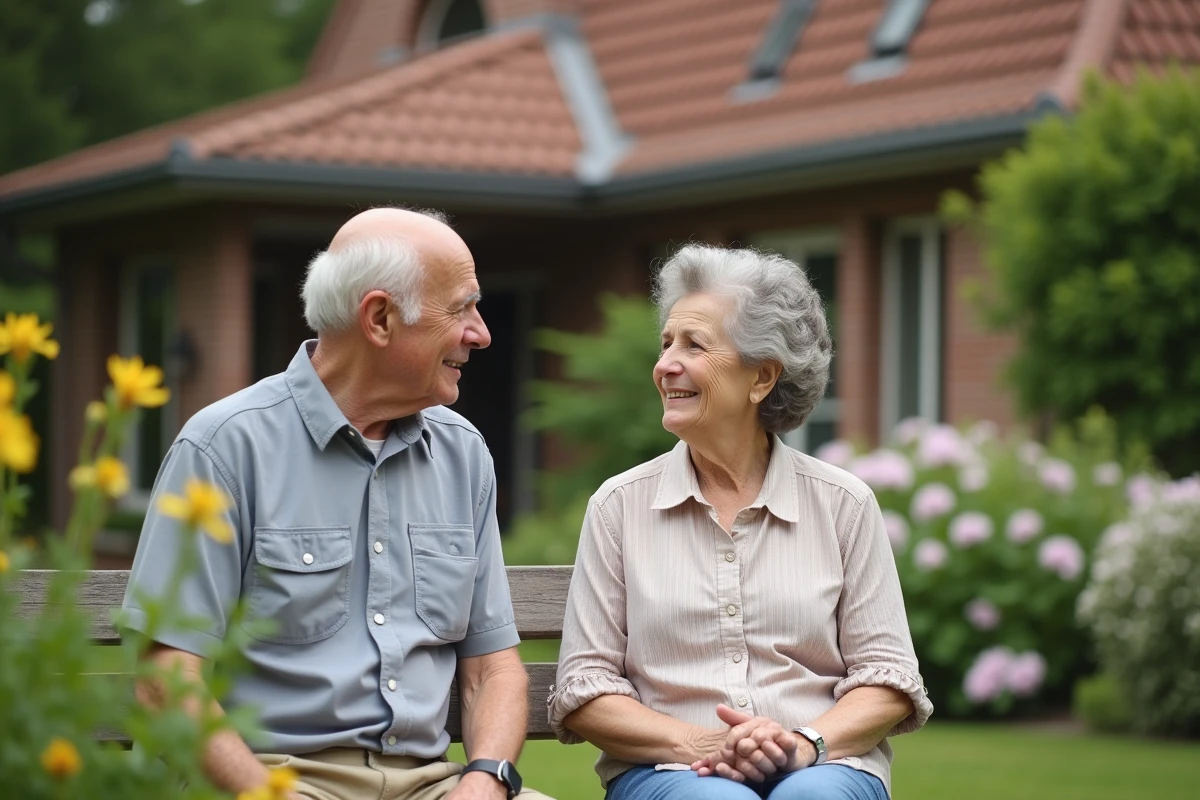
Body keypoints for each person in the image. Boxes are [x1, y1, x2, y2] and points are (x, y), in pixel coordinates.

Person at [122, 208, 550, 800]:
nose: (481, 332)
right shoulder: (224, 447)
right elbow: (166, 678)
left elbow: (492, 671)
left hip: (432, 785)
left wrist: (485, 779)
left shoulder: (462, 453)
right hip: (270, 780)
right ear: (379, 317)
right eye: (460, 309)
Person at [547, 244, 932, 800]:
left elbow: (888, 680)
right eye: (666, 344)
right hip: (669, 774)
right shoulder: (619, 507)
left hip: (824, 763)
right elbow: (585, 692)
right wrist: (706, 747)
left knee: (811, 796)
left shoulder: (844, 504)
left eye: (694, 345)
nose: (665, 364)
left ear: (761, 378)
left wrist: (803, 743)